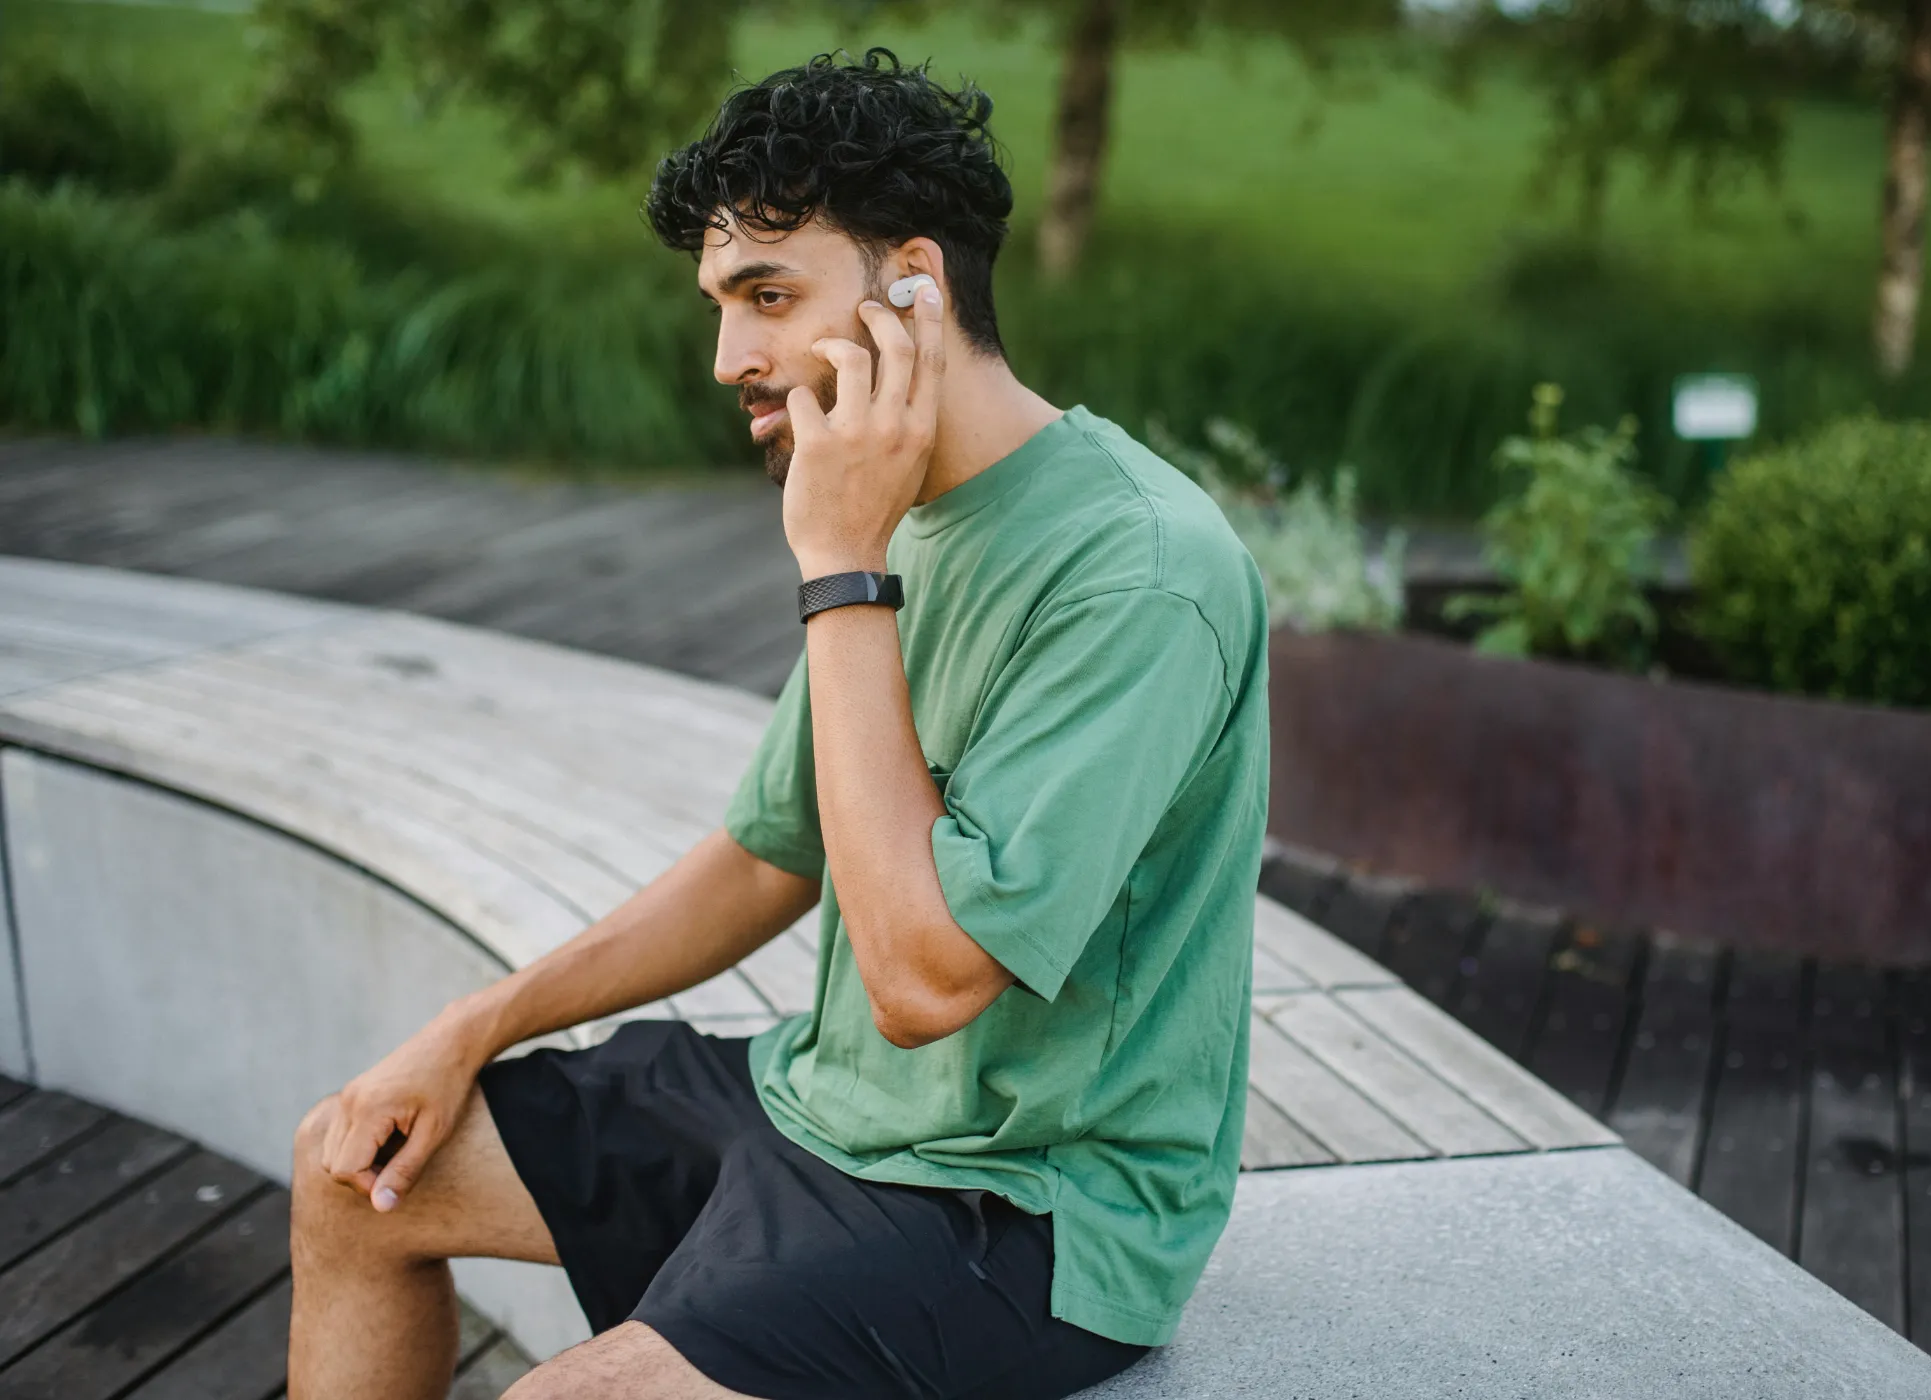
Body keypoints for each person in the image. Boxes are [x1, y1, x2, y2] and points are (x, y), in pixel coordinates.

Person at [286, 48, 1268, 1400]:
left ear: (912, 284)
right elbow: (768, 856)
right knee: (352, 1173)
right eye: (720, 303)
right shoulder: (901, 511)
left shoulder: (1141, 570)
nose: (726, 358)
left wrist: (842, 571)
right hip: (814, 1105)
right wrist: (473, 1024)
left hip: (1028, 1207)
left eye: (766, 296)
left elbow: (929, 983)